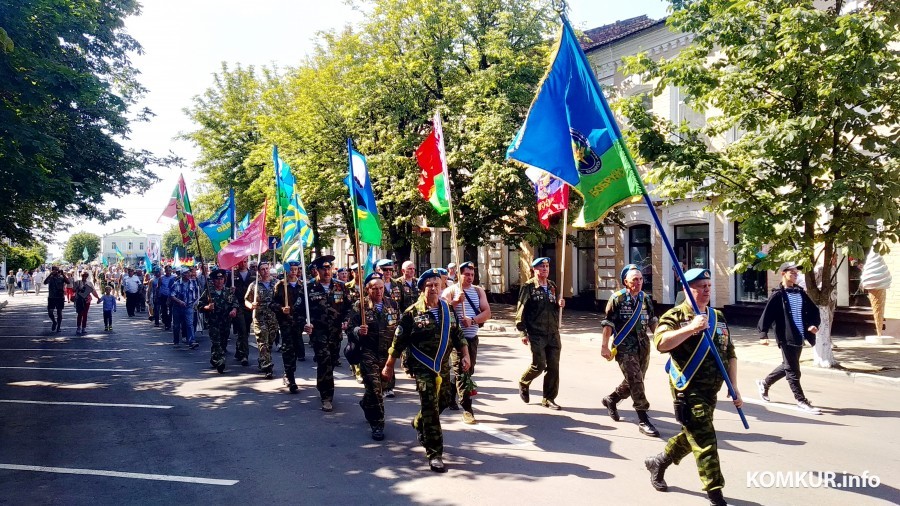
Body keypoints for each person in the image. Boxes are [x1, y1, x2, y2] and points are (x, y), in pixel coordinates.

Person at [645, 268, 741, 506]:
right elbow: (661, 343)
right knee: (706, 439)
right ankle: (715, 493)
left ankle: (660, 461)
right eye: (701, 286)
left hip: (712, 390)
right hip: (687, 389)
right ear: (687, 289)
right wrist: (691, 328)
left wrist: (734, 385)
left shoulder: (717, 316)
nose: (707, 290)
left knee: (695, 433)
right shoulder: (675, 316)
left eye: (709, 286)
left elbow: (729, 351)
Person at [382, 269, 470, 472]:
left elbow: (458, 335)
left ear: (441, 287)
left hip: (443, 366)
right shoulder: (412, 313)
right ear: (422, 289)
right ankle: (435, 453)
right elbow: (398, 342)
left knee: (446, 399)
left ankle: (418, 421)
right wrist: (388, 366)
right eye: (429, 286)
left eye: (436, 285)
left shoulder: (447, 309)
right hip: (422, 366)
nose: (433, 288)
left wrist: (465, 354)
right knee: (430, 406)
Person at [600, 264, 660, 437]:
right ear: (626, 281)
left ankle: (612, 399)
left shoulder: (645, 298)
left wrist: (661, 339)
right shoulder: (617, 299)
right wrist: (604, 346)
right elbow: (608, 324)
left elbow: (652, 321)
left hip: (643, 345)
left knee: (635, 379)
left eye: (641, 279)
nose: (639, 282)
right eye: (635, 279)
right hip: (625, 346)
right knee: (636, 380)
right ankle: (643, 418)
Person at [756, 262, 822, 414]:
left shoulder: (800, 292)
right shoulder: (778, 294)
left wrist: (813, 325)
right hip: (786, 335)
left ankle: (764, 383)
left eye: (796, 273)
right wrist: (763, 334)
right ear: (783, 274)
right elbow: (767, 315)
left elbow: (813, 311)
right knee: (793, 370)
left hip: (799, 334)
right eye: (791, 272)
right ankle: (801, 400)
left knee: (788, 365)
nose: (795, 275)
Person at [347, 272, 399, 440]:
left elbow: (399, 329)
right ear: (367, 289)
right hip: (368, 353)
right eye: (374, 289)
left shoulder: (392, 304)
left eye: (381, 288)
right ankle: (377, 424)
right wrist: (357, 331)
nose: (378, 292)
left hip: (387, 354)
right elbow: (349, 328)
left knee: (382, 387)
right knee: (376, 390)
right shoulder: (359, 306)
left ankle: (366, 403)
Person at [443, 261, 491, 424]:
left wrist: (473, 320)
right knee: (463, 372)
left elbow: (487, 312)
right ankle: (467, 409)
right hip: (457, 340)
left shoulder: (478, 291)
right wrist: (455, 302)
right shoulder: (451, 290)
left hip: (472, 338)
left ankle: (450, 394)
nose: (470, 277)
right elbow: (440, 309)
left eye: (472, 274)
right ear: (459, 275)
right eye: (467, 274)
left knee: (467, 371)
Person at [515, 257, 565, 410]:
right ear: (534, 269)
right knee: (539, 364)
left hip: (553, 333)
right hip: (536, 332)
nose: (545, 269)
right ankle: (524, 381)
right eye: (541, 266)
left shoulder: (552, 286)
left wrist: (559, 304)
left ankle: (549, 398)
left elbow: (553, 309)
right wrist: (523, 332)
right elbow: (521, 311)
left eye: (547, 266)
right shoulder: (528, 287)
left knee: (554, 367)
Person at [301, 255, 350, 411]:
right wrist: (305, 325)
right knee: (324, 360)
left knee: (332, 360)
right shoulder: (309, 288)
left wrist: (347, 320)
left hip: (336, 332)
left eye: (329, 268)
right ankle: (326, 397)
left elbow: (350, 308)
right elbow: (299, 311)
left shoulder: (341, 287)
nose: (327, 271)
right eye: (323, 269)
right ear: (317, 270)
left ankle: (322, 384)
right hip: (318, 332)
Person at [273, 260, 308, 392]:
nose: (294, 271)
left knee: (298, 347)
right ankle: (290, 376)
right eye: (291, 269)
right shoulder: (280, 286)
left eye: (296, 269)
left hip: (299, 322)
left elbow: (307, 304)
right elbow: (272, 303)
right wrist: (282, 308)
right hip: (286, 322)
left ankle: (290, 372)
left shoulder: (303, 285)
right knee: (288, 349)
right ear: (287, 270)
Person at [199, 269, 239, 373]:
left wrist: (234, 310)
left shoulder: (229, 291)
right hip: (213, 322)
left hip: (226, 321)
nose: (220, 281)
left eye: (221, 279)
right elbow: (199, 306)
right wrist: (207, 307)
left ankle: (214, 358)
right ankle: (221, 362)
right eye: (217, 279)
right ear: (213, 280)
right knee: (216, 342)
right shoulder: (208, 292)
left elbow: (235, 303)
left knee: (223, 342)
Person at [245, 261, 278, 378]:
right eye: (262, 269)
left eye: (267, 268)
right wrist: (251, 305)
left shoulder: (277, 283)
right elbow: (246, 300)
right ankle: (267, 366)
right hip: (260, 317)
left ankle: (263, 359)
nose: (265, 271)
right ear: (259, 272)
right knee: (263, 342)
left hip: (273, 317)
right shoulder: (254, 285)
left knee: (269, 342)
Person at [231, 258, 255, 366]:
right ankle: (245, 355)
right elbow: (227, 290)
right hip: (238, 305)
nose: (243, 264)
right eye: (240, 261)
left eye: (245, 261)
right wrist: (230, 290)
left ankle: (238, 350)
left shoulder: (253, 275)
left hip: (249, 306)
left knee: (246, 330)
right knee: (242, 330)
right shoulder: (233, 275)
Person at [169, 268, 199, 349]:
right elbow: (172, 295)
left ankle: (191, 341)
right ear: (182, 275)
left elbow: (196, 292)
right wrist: (179, 302)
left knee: (189, 324)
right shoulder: (176, 284)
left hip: (189, 306)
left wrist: (195, 301)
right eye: (186, 273)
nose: (189, 274)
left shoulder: (193, 282)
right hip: (177, 307)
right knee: (176, 325)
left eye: (189, 273)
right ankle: (176, 341)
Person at [44, 266, 67, 332]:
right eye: (54, 270)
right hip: (51, 297)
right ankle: (54, 321)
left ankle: (58, 327)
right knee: (50, 312)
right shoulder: (50, 278)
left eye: (57, 270)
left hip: (60, 297)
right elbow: (45, 282)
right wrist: (50, 274)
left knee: (59, 312)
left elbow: (68, 282)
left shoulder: (61, 277)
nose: (56, 271)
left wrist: (63, 274)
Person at [156, 265, 176, 330]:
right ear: (165, 271)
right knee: (164, 310)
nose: (168, 272)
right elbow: (158, 288)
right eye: (167, 270)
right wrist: (157, 296)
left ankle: (169, 323)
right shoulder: (161, 278)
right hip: (163, 296)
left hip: (171, 297)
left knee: (171, 311)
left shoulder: (174, 278)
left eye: (169, 270)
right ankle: (165, 322)